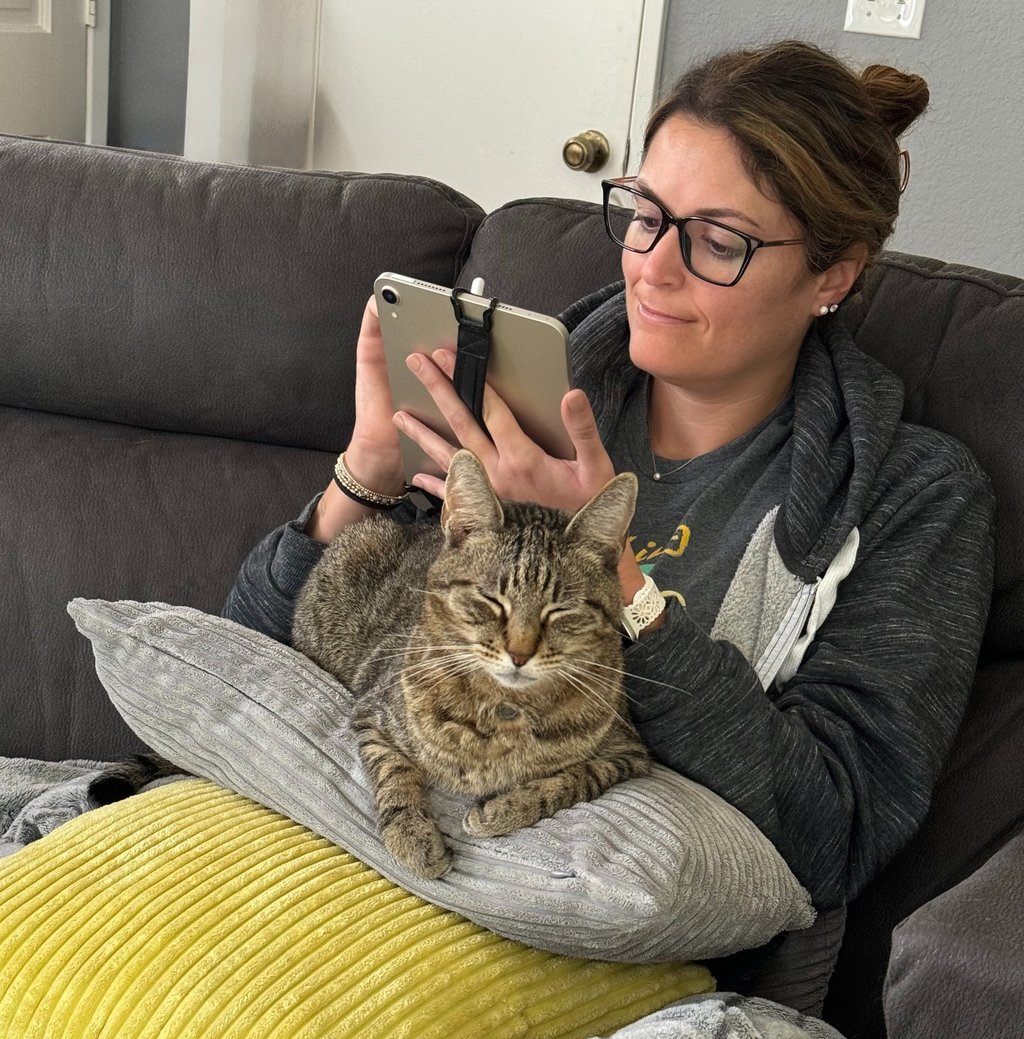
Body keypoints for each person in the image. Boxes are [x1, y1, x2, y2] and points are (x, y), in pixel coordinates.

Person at [224, 38, 994, 990]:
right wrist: (370, 468)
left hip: (612, 945)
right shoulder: (534, 387)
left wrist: (620, 579)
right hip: (366, 860)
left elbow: (832, 830)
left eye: (719, 242)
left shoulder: (913, 497)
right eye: (646, 216)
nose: (653, 270)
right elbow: (245, 655)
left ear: (832, 275)